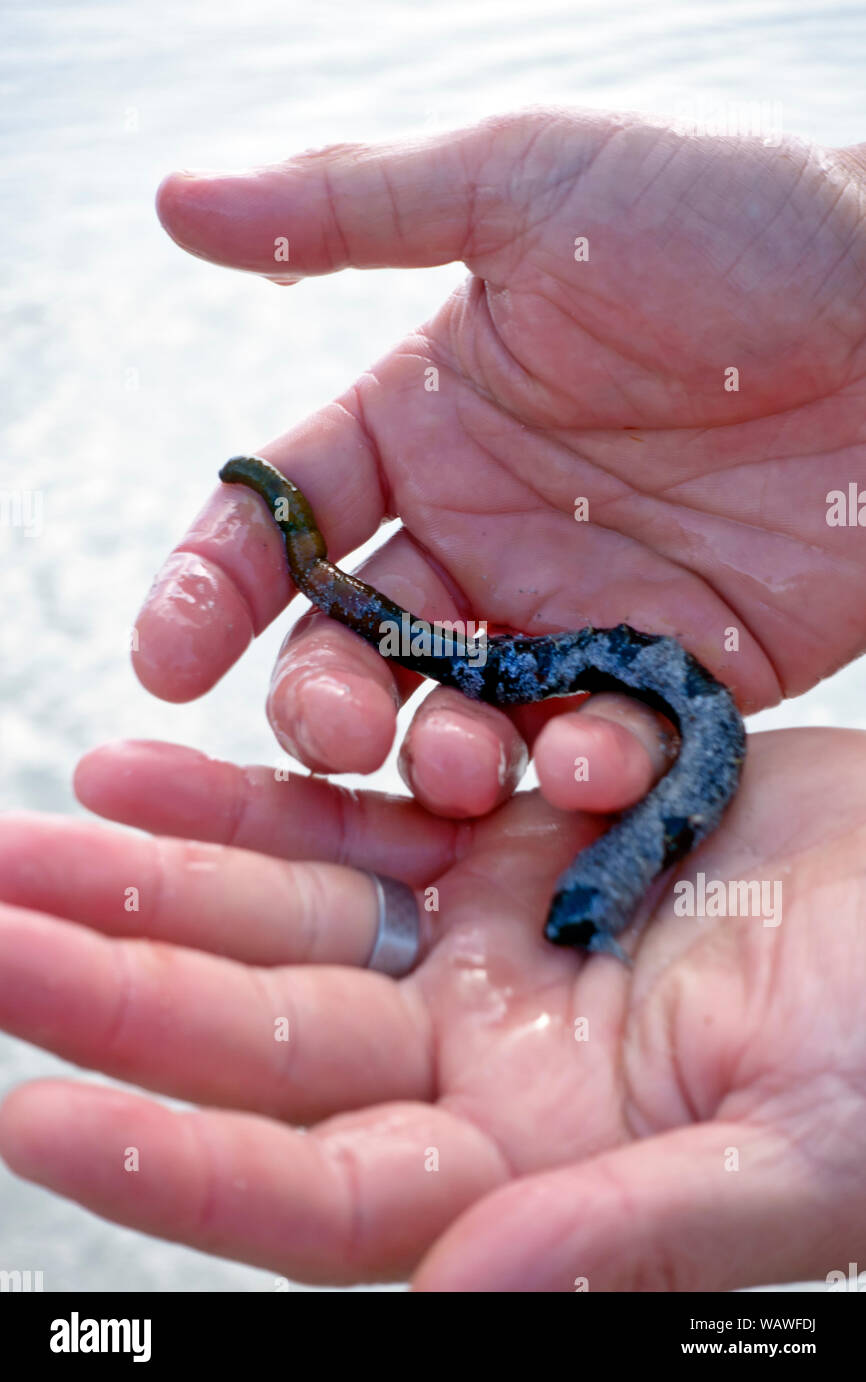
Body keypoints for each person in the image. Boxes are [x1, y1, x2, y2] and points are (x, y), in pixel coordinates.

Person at [1, 107, 865, 1291]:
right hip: (605, 689)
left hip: (628, 701)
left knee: (553, 718)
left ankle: (592, 897)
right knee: (520, 705)